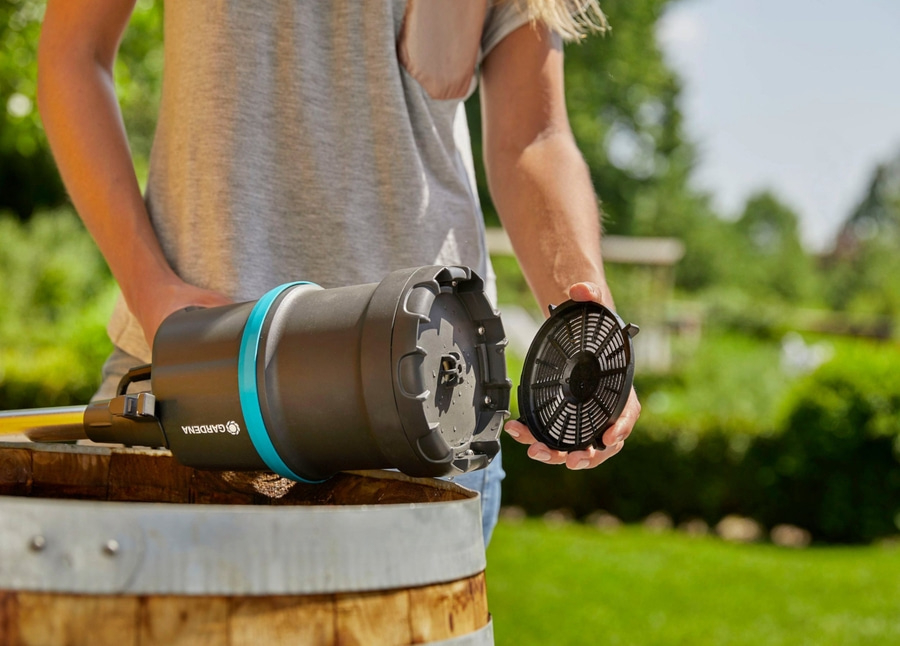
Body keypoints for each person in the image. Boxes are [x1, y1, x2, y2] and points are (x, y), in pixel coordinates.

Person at [37, 0, 640, 545]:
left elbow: (532, 135)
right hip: (198, 376)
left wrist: (584, 310)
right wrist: (153, 291)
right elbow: (75, 54)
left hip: (432, 406)